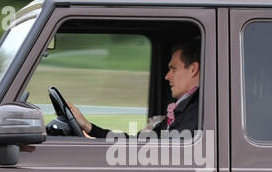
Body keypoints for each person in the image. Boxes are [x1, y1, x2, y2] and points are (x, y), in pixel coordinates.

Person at [70, 40, 200, 138]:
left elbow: (162, 154)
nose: (167, 76)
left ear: (193, 69)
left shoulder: (197, 111)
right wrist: (89, 128)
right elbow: (138, 142)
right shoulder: (185, 108)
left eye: (173, 69)